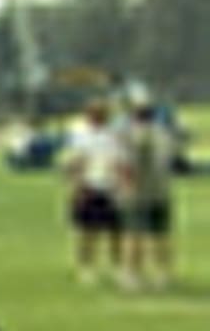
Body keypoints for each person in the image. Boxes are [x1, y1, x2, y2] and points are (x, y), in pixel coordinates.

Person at [61, 99, 126, 287]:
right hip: (88, 186)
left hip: (111, 187)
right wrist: (76, 186)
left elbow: (119, 161)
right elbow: (74, 162)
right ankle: (86, 268)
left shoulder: (114, 134)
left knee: (116, 232)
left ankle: (118, 267)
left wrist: (121, 185)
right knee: (86, 232)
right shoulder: (79, 133)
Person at [117, 101, 180, 290]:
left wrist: (124, 189)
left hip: (137, 192)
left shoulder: (130, 136)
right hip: (161, 191)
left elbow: (127, 165)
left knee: (133, 236)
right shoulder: (164, 134)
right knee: (161, 236)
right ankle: (162, 275)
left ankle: (131, 275)